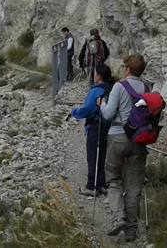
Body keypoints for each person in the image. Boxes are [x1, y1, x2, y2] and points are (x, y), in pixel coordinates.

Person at [97, 54, 149, 243]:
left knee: (114, 180)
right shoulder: (147, 88)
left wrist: (102, 104)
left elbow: (108, 114)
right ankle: (131, 230)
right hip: (139, 140)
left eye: (123, 67)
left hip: (118, 137)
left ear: (127, 69)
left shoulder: (120, 87)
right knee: (134, 186)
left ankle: (118, 218)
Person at [69, 63, 115, 196]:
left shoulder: (95, 91)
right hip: (107, 127)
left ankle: (91, 185)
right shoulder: (111, 89)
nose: (93, 76)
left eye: (94, 74)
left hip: (95, 127)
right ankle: (102, 183)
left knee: (93, 155)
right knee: (103, 155)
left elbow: (87, 109)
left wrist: (74, 112)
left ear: (98, 76)